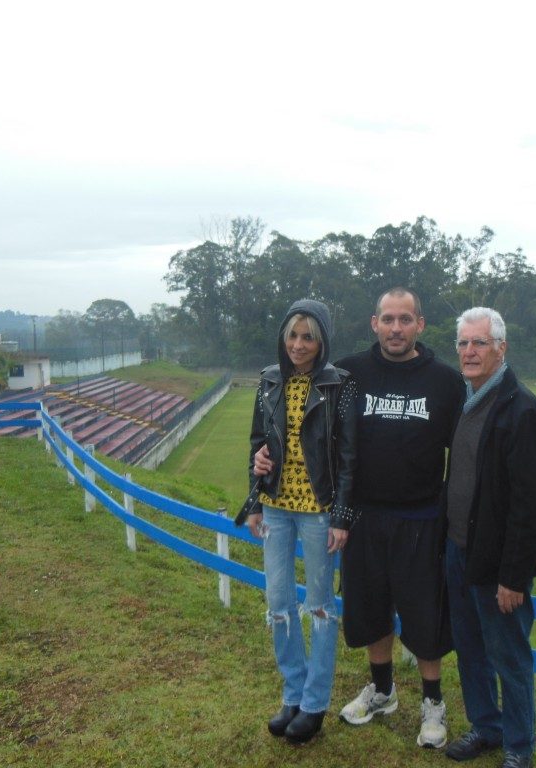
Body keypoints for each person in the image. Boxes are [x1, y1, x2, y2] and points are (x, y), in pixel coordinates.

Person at [257, 288, 464, 747]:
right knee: (369, 610)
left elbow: (463, 455)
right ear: (374, 323)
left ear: (420, 325)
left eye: (404, 319)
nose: (395, 328)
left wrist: (456, 514)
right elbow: (296, 424)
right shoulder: (348, 373)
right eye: (387, 319)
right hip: (361, 517)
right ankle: (383, 690)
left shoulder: (445, 382)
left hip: (422, 518)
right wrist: (263, 459)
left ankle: (433, 703)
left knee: (425, 616)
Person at [236, 298, 358, 745]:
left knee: (321, 606)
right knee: (279, 601)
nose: (298, 345)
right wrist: (254, 496)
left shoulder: (339, 385)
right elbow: (257, 443)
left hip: (320, 511)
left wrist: (342, 516)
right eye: (292, 335)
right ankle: (292, 693)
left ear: (321, 340)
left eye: (308, 336)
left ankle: (313, 704)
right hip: (275, 508)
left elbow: (348, 457)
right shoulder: (269, 381)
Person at [443, 307, 536, 768]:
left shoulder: (522, 410)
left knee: (509, 657)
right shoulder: (466, 401)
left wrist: (513, 577)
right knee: (470, 649)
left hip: (498, 564)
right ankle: (487, 727)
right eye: (464, 343)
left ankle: (518, 747)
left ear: (501, 348)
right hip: (460, 551)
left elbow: (529, 508)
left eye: (480, 343)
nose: (470, 352)